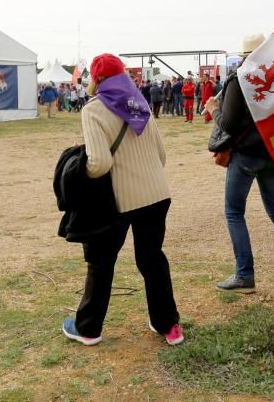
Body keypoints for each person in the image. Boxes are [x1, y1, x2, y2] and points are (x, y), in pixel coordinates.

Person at [61, 53, 183, 347]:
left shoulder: (93, 110)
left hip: (117, 200)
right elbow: (161, 155)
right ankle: (168, 326)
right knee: (152, 259)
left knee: (102, 262)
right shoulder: (139, 103)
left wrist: (82, 170)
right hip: (156, 193)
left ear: (96, 79)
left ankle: (88, 329)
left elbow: (99, 163)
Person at [206, 34, 274, 293]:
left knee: (234, 212)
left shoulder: (240, 79)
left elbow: (229, 125)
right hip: (272, 151)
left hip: (246, 154)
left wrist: (213, 108)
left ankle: (244, 274)